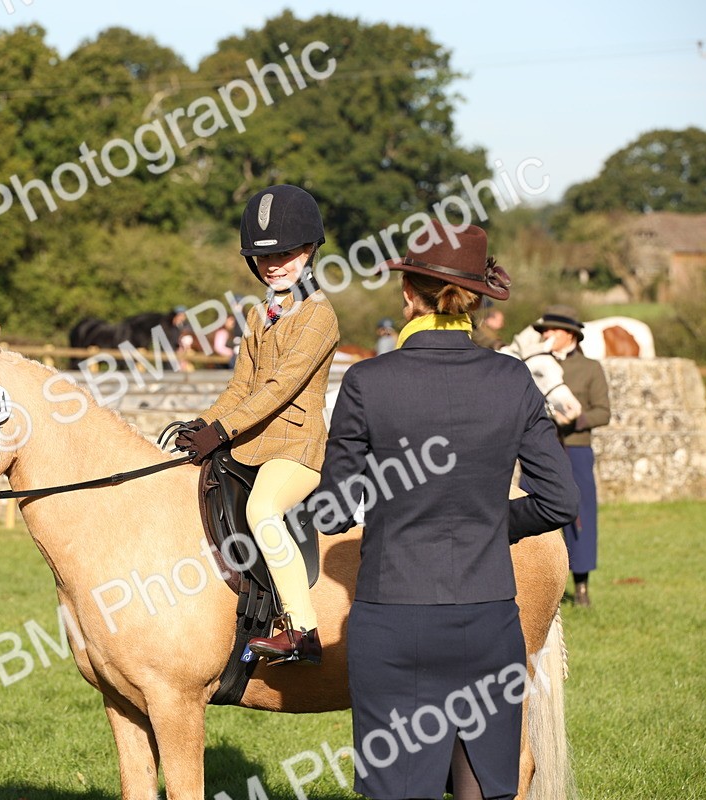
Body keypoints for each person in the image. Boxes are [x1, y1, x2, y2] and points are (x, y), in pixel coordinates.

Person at [314, 222, 578, 800]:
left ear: (408, 293)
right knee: (481, 788)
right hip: (487, 621)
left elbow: (332, 513)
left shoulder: (367, 381)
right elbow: (561, 500)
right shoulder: (512, 379)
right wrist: (492, 523)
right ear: (478, 302)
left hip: (394, 620)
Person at [175, 185, 340, 665]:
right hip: (251, 444)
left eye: (286, 253)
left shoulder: (318, 316)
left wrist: (221, 432)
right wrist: (203, 423)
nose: (275, 264)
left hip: (297, 449)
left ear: (310, 250)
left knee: (264, 510)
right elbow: (241, 387)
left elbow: (278, 389)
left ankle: (303, 631)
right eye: (264, 256)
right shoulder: (257, 313)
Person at [534, 304, 610, 608]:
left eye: (551, 330)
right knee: (532, 511)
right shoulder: (536, 365)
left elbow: (603, 412)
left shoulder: (591, 368)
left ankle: (581, 587)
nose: (546, 335)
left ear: (570, 334)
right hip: (538, 450)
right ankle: (536, 583)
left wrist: (574, 420)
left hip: (576, 449)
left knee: (581, 516)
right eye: (543, 331)